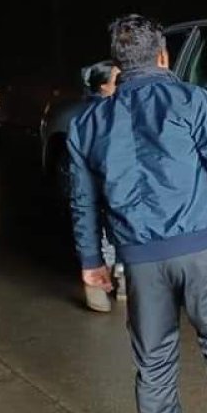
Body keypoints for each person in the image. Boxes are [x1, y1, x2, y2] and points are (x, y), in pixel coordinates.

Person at [69, 14, 207, 413]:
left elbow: (83, 200)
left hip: (141, 260)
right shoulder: (191, 100)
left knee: (154, 361)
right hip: (204, 249)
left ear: (118, 64)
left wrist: (91, 258)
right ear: (164, 56)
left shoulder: (88, 123)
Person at [76, 60, 122, 313]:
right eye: (117, 79)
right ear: (104, 86)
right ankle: (103, 284)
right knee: (107, 234)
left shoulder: (85, 116)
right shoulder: (101, 115)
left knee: (104, 233)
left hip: (105, 186)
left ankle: (105, 284)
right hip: (104, 186)